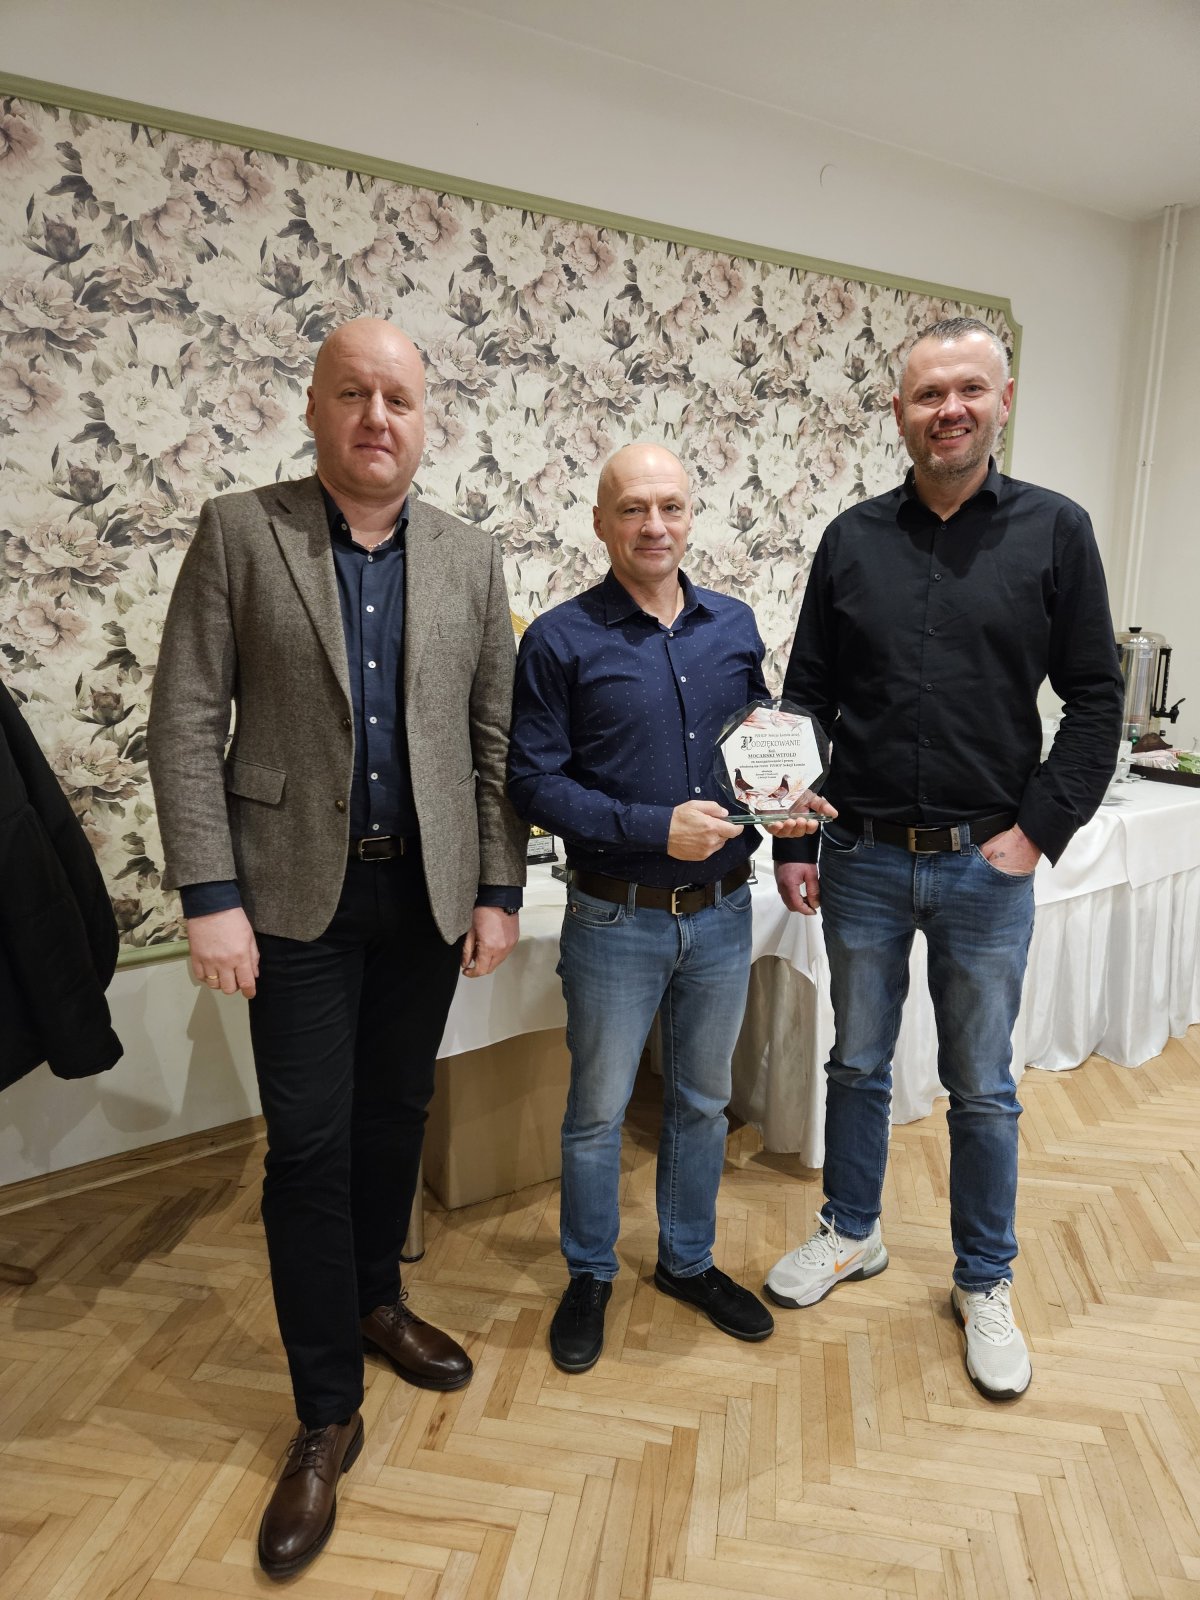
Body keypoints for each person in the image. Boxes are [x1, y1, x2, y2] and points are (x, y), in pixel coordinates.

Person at [147, 318, 526, 1578]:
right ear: (313, 407)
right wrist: (210, 892)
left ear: (426, 420)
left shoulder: (470, 556)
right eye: (353, 393)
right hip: (287, 897)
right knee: (307, 1145)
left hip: (423, 896)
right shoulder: (239, 531)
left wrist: (497, 886)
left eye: (399, 398)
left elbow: (493, 740)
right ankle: (325, 1412)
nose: (377, 416)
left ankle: (375, 1299)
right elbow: (185, 719)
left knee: (392, 1116)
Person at [765, 318, 1124, 1400]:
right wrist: (794, 835)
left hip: (985, 865)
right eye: (928, 394)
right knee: (856, 1064)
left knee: (982, 1088)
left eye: (969, 389)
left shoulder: (1057, 531)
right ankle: (852, 1230)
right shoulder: (850, 540)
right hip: (861, 857)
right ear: (899, 413)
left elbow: (1095, 698)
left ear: (1002, 401)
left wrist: (1038, 829)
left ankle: (984, 1279)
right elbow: (807, 697)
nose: (949, 410)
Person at [508, 443, 834, 1373]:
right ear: (601, 522)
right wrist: (655, 827)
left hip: (724, 912)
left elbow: (759, 748)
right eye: (633, 509)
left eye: (671, 507)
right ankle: (590, 1274)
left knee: (701, 1101)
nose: (654, 526)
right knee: (597, 1112)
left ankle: (687, 1262)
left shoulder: (732, 624)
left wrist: (788, 812)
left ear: (691, 517)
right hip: (615, 916)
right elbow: (532, 781)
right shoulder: (559, 640)